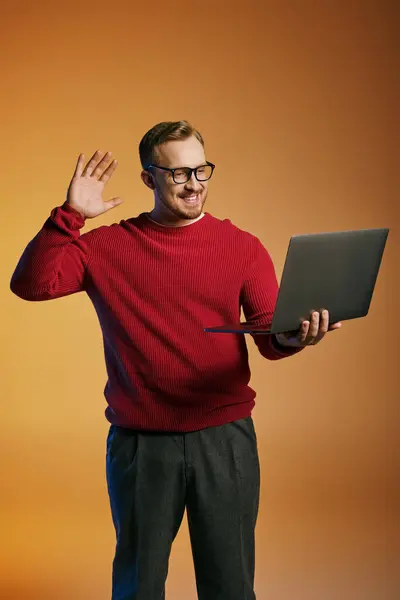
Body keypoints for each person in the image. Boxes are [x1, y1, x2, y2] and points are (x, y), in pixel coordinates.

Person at [10, 120, 341, 600]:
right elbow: (31, 285)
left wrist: (299, 336)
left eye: (201, 170)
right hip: (142, 445)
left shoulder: (242, 247)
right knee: (138, 585)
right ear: (149, 178)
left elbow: (270, 338)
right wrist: (69, 215)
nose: (193, 184)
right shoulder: (107, 247)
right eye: (178, 173)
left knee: (229, 585)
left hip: (224, 441)